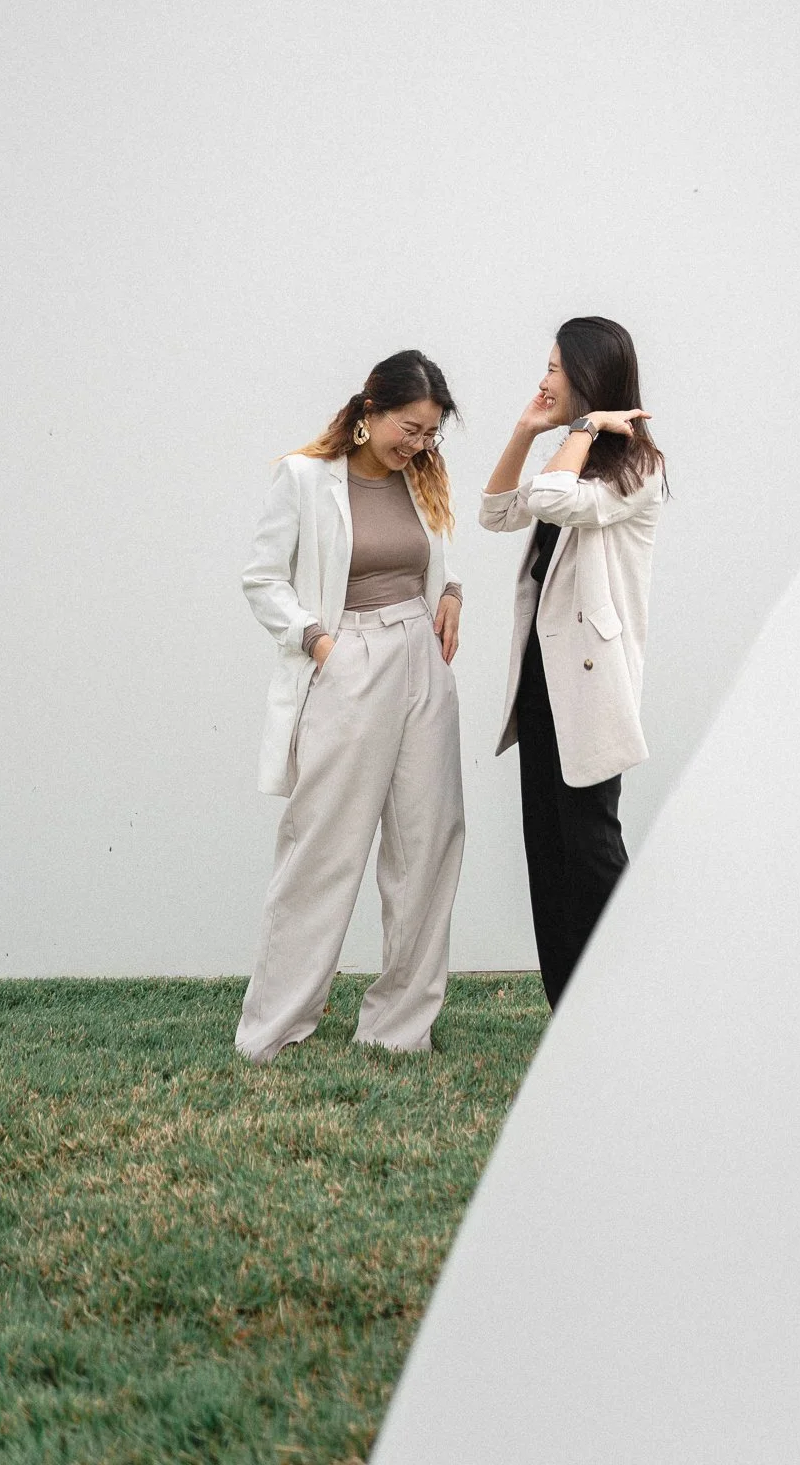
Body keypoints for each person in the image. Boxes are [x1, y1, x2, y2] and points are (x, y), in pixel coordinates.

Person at [235, 350, 465, 1063]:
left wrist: (452, 593)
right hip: (349, 656)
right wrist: (317, 641)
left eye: (430, 432)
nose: (418, 444)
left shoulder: (422, 474)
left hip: (421, 658)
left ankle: (399, 1028)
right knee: (323, 847)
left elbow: (433, 554)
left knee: (428, 845)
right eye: (408, 428)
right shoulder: (304, 477)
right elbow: (263, 579)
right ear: (370, 412)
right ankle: (274, 1028)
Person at [481, 317, 665, 1009]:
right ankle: (570, 1014)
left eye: (555, 367)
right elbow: (496, 513)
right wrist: (528, 430)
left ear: (588, 376)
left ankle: (636, 1001)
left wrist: (582, 428)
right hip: (540, 679)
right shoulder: (572, 456)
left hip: (589, 682)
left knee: (590, 846)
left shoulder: (638, 465)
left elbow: (554, 501)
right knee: (548, 850)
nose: (544, 379)